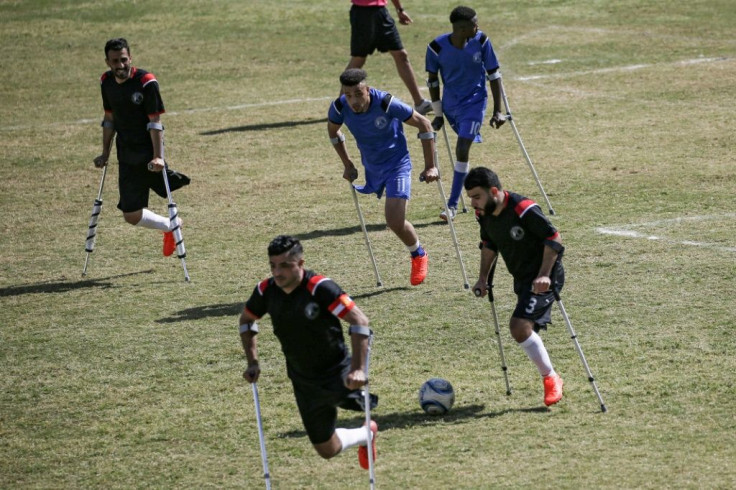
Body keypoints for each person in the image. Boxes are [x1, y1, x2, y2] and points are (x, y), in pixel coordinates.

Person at [239, 235, 378, 469]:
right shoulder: (266, 291)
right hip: (302, 379)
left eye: (284, 266)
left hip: (338, 372)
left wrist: (357, 369)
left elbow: (360, 322)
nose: (277, 272)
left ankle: (360, 407)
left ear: (300, 264)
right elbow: (247, 321)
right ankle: (367, 434)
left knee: (358, 402)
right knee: (326, 449)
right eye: (273, 266)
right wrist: (253, 362)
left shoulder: (320, 288)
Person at [328, 68, 439, 286]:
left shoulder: (386, 102)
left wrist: (431, 166)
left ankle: (418, 254)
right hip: (372, 167)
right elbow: (333, 132)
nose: (354, 101)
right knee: (393, 220)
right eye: (349, 95)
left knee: (394, 220)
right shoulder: (339, 107)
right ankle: (417, 252)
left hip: (398, 164)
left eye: (359, 94)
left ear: (367, 90)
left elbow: (424, 124)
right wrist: (347, 163)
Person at [465, 167, 564, 407]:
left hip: (545, 276)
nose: (473, 204)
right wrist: (482, 278)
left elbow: (553, 238)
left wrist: (543, 276)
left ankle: (551, 378)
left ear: (494, 191)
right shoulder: (484, 214)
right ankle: (549, 372)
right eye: (470, 198)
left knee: (519, 327)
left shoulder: (523, 208)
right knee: (526, 328)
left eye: (477, 197)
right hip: (520, 278)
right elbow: (489, 244)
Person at [93, 38, 190, 257]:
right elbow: (109, 118)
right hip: (126, 155)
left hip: (148, 154)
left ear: (131, 58)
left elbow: (154, 121)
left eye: (124, 60)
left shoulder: (146, 81)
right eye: (115, 61)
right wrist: (105, 152)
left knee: (169, 188)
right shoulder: (105, 81)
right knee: (131, 215)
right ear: (107, 62)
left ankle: (172, 214)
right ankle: (171, 226)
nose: (120, 65)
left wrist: (158, 157)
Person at [425, 6, 506, 222]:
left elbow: (494, 74)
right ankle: (456, 201)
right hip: (452, 105)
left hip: (475, 103)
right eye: (473, 24)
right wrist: (439, 114)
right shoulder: (436, 48)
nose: (477, 27)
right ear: (461, 28)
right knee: (461, 148)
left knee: (462, 148)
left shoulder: (481, 41)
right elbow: (433, 80)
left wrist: (498, 110)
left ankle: (451, 204)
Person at [346, 0, 432, 115]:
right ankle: (340, 107)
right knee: (358, 59)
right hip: (362, 12)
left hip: (381, 12)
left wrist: (399, 9)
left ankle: (419, 103)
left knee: (401, 55)